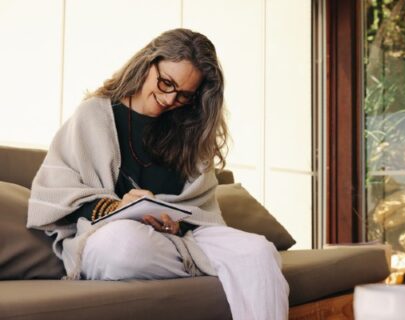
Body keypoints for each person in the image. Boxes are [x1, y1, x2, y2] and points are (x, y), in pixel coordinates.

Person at [27, 28, 289, 320]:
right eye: (166, 83)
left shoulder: (189, 131)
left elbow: (197, 212)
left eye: (183, 95)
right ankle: (215, 268)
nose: (169, 99)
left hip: (180, 241)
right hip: (112, 237)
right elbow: (56, 190)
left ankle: (213, 265)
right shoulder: (93, 115)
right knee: (122, 244)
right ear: (148, 62)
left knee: (259, 252)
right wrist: (118, 207)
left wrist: (176, 226)